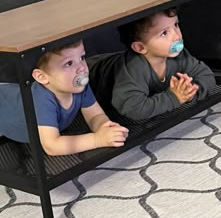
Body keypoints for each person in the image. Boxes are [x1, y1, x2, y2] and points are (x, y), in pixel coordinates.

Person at [0, 40, 129, 155]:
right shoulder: (42, 99)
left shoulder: (78, 87)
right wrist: (97, 140)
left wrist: (106, 128)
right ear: (42, 77)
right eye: (69, 63)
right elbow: (52, 146)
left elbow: (95, 116)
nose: (82, 68)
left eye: (82, 57)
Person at [91, 7, 216, 121]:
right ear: (140, 47)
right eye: (164, 33)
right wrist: (173, 98)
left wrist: (189, 92)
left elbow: (206, 75)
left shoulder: (178, 56)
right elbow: (132, 109)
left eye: (176, 25)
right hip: (91, 71)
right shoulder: (134, 68)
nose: (177, 36)